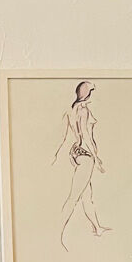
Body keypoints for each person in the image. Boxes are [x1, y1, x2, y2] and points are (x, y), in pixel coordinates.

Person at [50, 80, 112, 249]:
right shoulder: (83, 110)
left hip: (77, 154)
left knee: (86, 196)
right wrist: (96, 157)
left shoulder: (71, 110)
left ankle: (97, 227)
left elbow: (65, 137)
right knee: (74, 197)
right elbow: (86, 134)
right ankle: (57, 235)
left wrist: (62, 155)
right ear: (88, 94)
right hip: (86, 156)